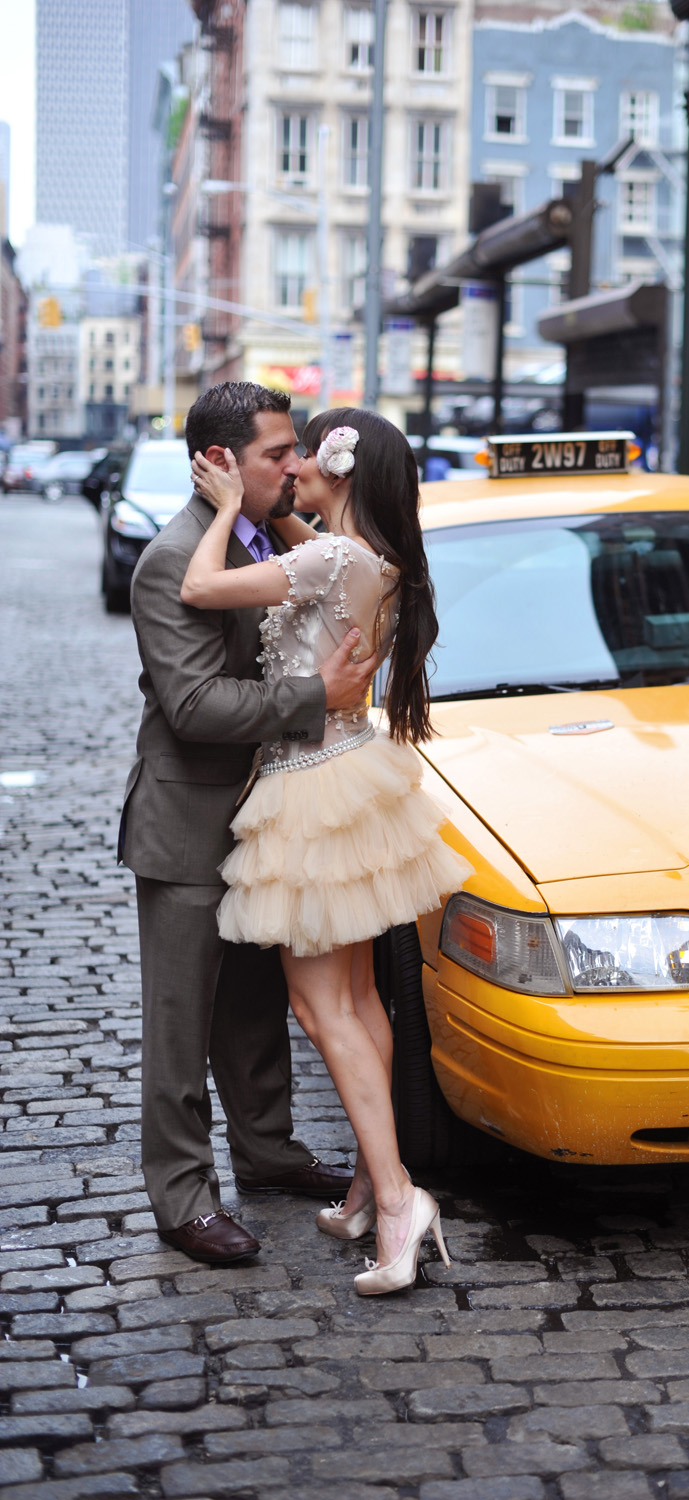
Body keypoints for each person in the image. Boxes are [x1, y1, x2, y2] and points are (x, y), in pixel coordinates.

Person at [181, 407, 470, 1295]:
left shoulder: (329, 559)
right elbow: (309, 537)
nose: (295, 464)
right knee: (358, 1001)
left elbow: (199, 589)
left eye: (310, 452)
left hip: (308, 783)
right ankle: (363, 1185)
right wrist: (277, 515)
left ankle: (393, 1201)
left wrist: (229, 508)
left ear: (340, 468)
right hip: (353, 774)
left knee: (322, 1011)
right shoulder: (372, 557)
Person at [121, 382, 374, 1265]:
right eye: (277, 453)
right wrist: (319, 697)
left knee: (258, 1007)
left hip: (269, 815)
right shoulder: (173, 557)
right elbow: (192, 702)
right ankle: (183, 1198)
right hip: (189, 820)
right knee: (183, 1023)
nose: (295, 464)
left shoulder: (273, 538)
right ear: (223, 462)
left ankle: (268, 1155)